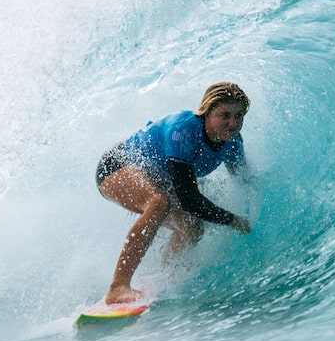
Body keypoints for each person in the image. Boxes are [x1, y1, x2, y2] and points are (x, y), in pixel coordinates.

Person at [95, 82, 253, 304]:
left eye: (239, 116)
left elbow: (244, 178)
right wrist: (232, 220)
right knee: (158, 203)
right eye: (224, 115)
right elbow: (190, 199)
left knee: (192, 226)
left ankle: (160, 277)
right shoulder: (183, 130)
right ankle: (117, 288)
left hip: (158, 176)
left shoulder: (233, 142)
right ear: (206, 112)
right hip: (118, 164)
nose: (232, 123)